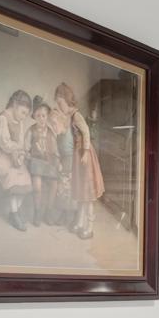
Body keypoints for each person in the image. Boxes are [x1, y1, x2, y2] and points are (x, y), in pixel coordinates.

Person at [53, 81, 104, 240]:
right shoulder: (68, 116)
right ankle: (80, 223)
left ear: (66, 100)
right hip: (78, 155)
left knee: (87, 194)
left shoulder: (76, 115)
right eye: (57, 102)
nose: (59, 105)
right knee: (81, 192)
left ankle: (89, 226)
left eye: (60, 102)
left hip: (85, 156)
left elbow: (86, 132)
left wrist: (85, 152)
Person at [0, 90, 34, 231]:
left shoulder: (20, 122)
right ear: (14, 104)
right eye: (23, 113)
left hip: (12, 154)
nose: (24, 117)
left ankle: (16, 210)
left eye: (26, 114)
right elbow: (4, 143)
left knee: (25, 177)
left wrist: (23, 151)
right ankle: (14, 213)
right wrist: (18, 150)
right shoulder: (3, 118)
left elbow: (19, 142)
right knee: (14, 176)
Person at [26, 96, 62, 226]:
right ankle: (37, 212)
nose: (41, 119)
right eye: (38, 116)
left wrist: (58, 161)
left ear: (47, 117)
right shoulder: (31, 131)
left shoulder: (51, 132)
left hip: (48, 162)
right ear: (34, 117)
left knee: (54, 183)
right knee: (37, 186)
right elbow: (26, 148)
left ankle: (48, 211)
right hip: (36, 162)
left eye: (44, 116)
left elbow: (55, 149)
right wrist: (27, 156)